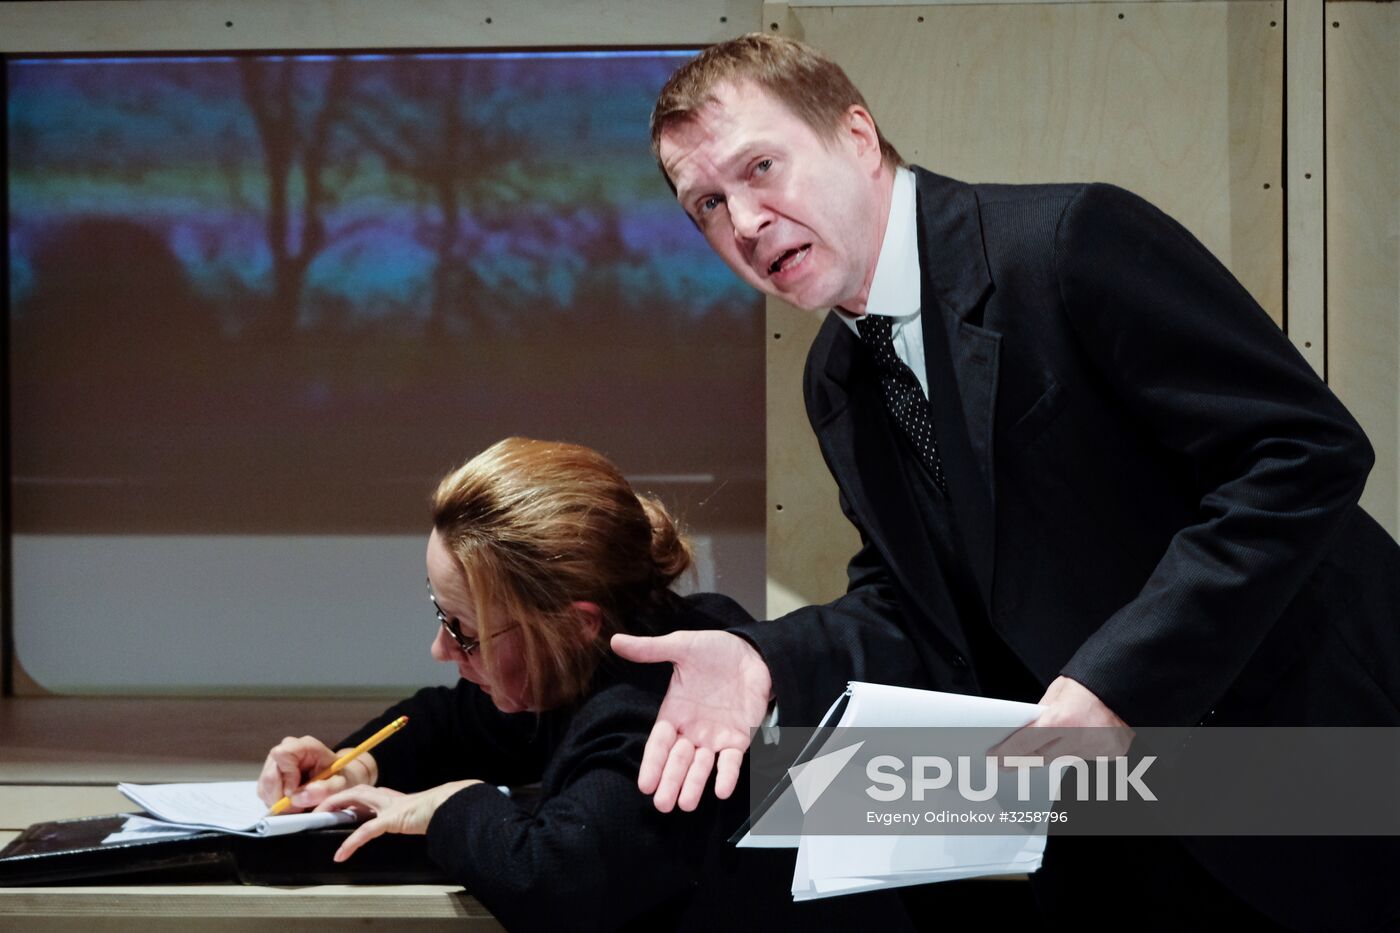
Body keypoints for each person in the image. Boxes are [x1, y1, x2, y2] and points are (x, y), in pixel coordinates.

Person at [611, 33, 1400, 931]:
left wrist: (1120, 678)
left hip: (1318, 774)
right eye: (708, 203)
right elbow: (917, 600)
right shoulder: (834, 374)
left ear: (857, 136)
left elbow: (1303, 451)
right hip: (1115, 829)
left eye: (761, 167)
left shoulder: (1068, 242)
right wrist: (766, 655)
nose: (744, 221)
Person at [256, 436, 912, 932]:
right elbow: (452, 720)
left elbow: (558, 876)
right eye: (440, 614)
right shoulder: (606, 646)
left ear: (574, 626)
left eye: (464, 629)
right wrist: (360, 760)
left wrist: (454, 805)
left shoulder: (656, 714)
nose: (440, 649)